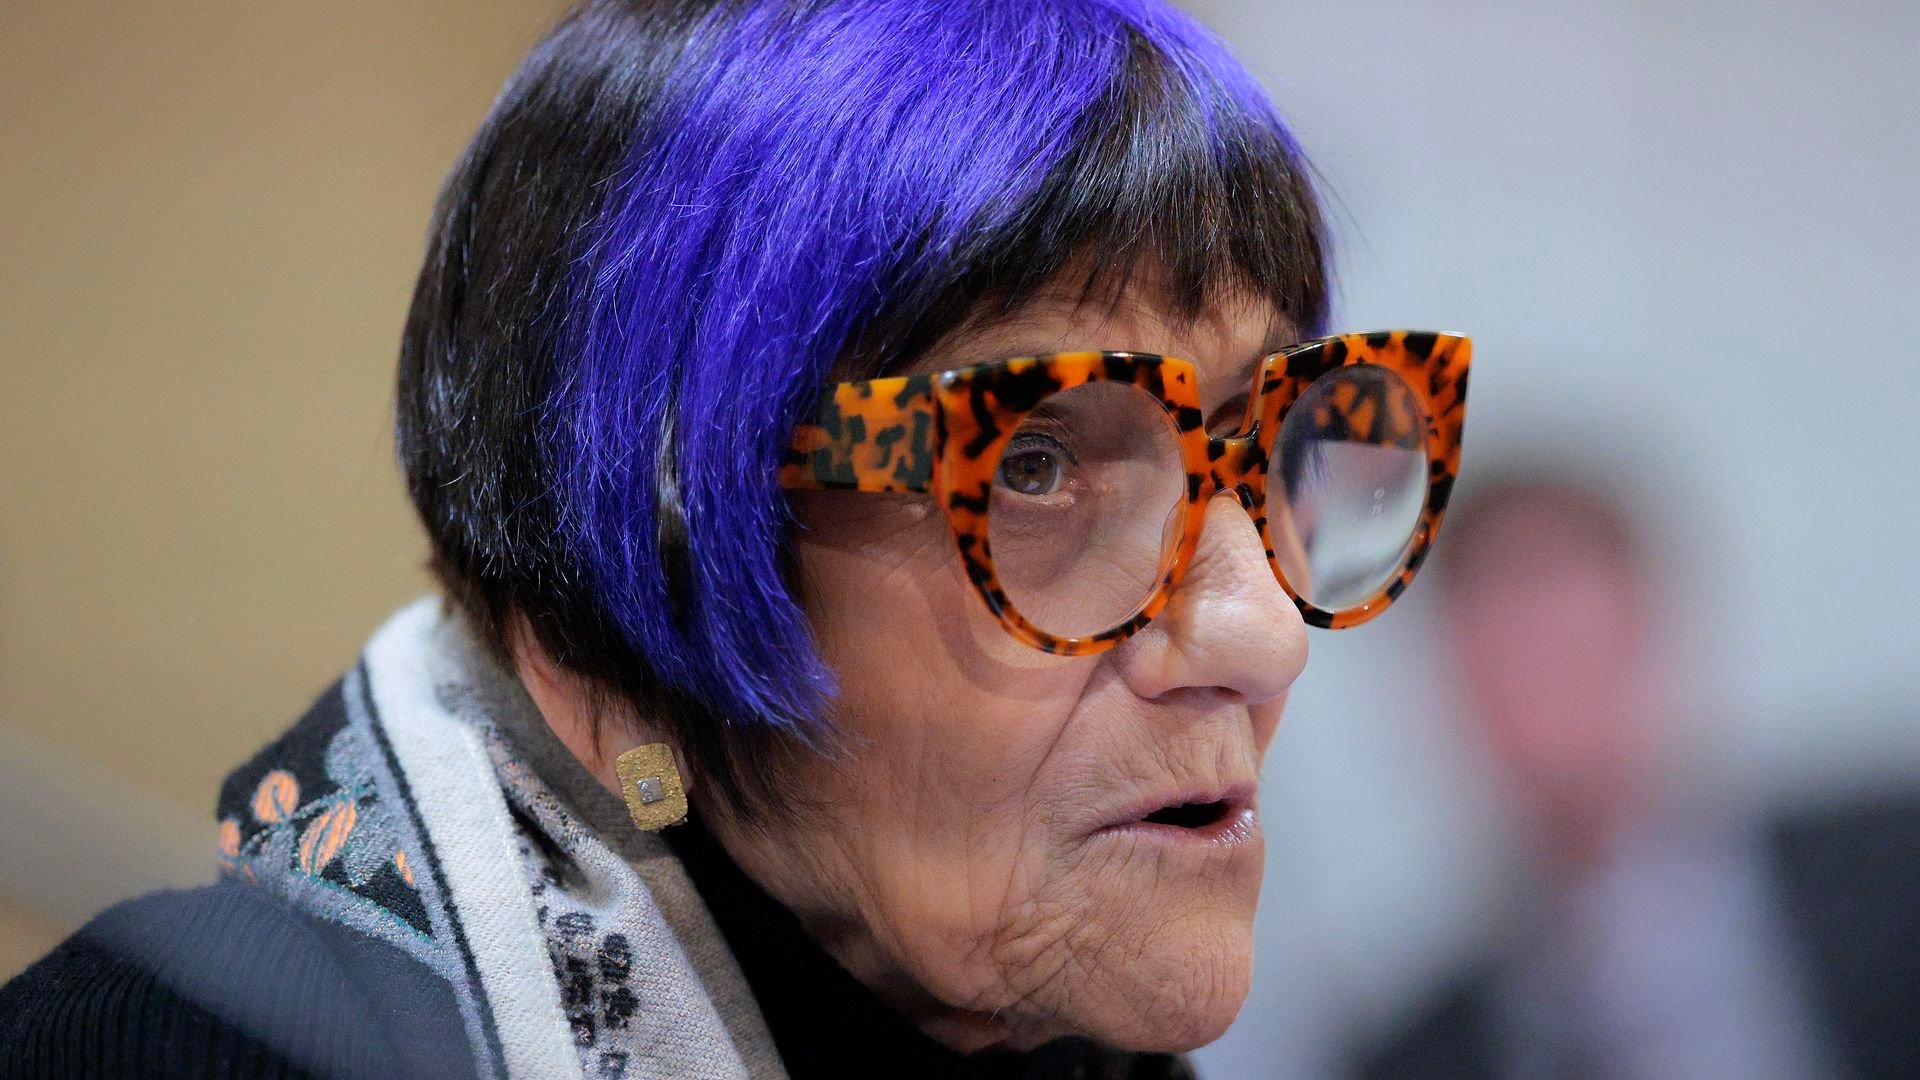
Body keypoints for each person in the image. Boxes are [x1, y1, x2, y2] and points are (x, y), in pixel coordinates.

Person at [0, 1, 1473, 1076]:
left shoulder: (1067, 1049)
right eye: (1035, 459)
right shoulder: (170, 1056)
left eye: (1264, 441)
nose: (1259, 632)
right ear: (650, 533)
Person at [1346, 473, 1920, 1080]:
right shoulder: (1414, 1055)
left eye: (1571, 654)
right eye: (1505, 668)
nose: (1546, 708)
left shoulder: (1899, 880)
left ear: (1649, 636)